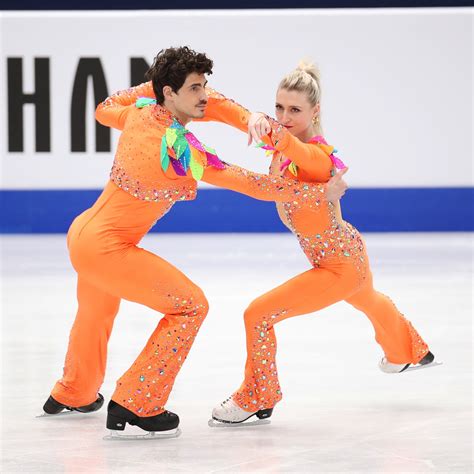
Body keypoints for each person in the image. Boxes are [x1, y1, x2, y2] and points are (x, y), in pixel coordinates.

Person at [42, 48, 346, 437]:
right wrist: (318, 194)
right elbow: (247, 182)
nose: (206, 96)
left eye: (205, 86)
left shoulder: (139, 113)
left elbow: (105, 108)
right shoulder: (179, 147)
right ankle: (136, 401)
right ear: (169, 93)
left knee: (96, 311)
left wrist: (245, 117)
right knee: (190, 306)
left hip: (83, 234)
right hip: (106, 248)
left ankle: (75, 391)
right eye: (195, 88)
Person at [211, 61, 436, 425]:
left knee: (257, 315)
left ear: (315, 111)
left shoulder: (314, 156)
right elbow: (281, 166)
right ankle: (408, 352)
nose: (284, 118)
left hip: (337, 266)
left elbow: (283, 158)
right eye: (279, 108)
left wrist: (242, 135)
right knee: (369, 299)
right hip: (347, 248)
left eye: (295, 110)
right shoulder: (285, 152)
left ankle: (257, 396)